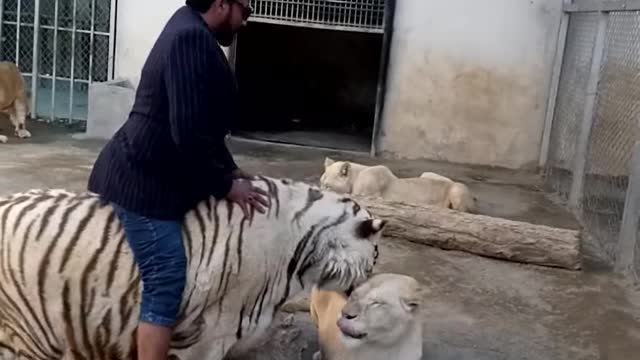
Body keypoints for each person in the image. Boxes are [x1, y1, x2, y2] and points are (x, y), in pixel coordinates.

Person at [87, 0, 268, 358]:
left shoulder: (190, 25)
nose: (246, 22)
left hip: (156, 170)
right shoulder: (190, 38)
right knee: (166, 278)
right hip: (142, 181)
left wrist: (229, 168)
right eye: (245, 11)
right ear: (221, 4)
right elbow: (187, 134)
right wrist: (226, 187)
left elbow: (201, 129)